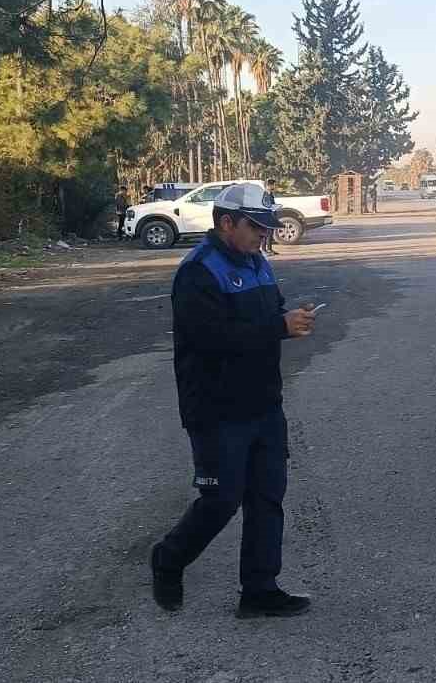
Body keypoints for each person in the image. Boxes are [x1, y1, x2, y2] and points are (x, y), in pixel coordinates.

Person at [149, 182, 318, 618]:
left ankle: (259, 590)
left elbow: (268, 314)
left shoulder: (258, 262)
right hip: (217, 408)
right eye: (256, 227)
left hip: (263, 402)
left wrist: (291, 320)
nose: (264, 235)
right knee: (221, 500)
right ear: (226, 223)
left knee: (267, 495)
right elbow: (211, 340)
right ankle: (168, 559)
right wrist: (279, 327)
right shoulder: (198, 272)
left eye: (267, 227)